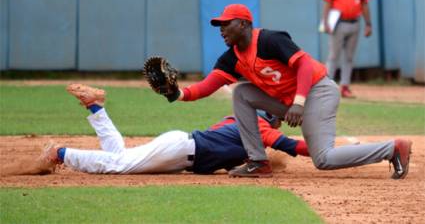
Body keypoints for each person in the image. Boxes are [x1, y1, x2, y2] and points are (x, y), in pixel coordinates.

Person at [161, 3, 411, 179]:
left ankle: (391, 148)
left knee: (323, 159)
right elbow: (207, 86)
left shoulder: (269, 40)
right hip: (289, 102)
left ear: (244, 24)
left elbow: (303, 65)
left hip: (317, 92)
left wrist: (299, 103)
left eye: (227, 24)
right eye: (220, 25)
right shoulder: (231, 59)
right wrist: (177, 94)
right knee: (241, 93)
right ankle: (258, 162)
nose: (222, 29)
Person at [43, 84, 309, 175]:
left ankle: (96, 107)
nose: (279, 124)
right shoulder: (259, 127)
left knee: (121, 155)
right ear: (270, 116)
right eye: (279, 119)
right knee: (118, 165)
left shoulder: (235, 121)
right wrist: (323, 151)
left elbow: (226, 157)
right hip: (181, 151)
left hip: (180, 148)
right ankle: (61, 153)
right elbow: (291, 145)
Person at [321, 0, 372, 98]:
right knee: (333, 56)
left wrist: (368, 24)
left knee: (349, 57)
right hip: (338, 23)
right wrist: (325, 22)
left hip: (355, 22)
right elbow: (328, 3)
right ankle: (325, 87)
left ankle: (345, 86)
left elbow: (364, 4)